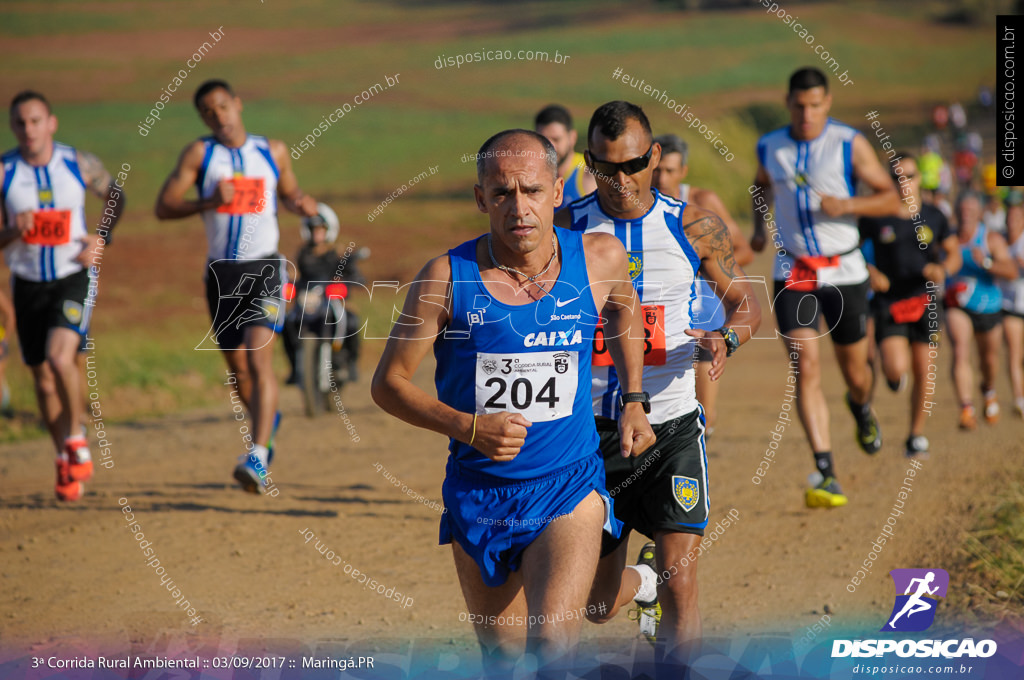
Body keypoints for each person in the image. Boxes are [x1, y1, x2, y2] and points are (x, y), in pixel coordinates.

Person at [371, 129, 655, 677]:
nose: (518, 208)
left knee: (551, 648)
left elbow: (624, 313)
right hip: (479, 491)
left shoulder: (599, 258)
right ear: (481, 199)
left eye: (531, 190)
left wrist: (635, 397)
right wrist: (468, 426)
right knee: (502, 659)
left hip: (567, 484)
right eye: (502, 194)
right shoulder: (444, 278)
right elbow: (389, 384)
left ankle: (640, 585)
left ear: (556, 192)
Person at [554, 102, 760, 672]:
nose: (621, 181)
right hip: (589, 433)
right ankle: (641, 580)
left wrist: (727, 338)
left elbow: (747, 304)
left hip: (670, 423)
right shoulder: (566, 227)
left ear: (656, 158)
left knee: (683, 584)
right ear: (589, 163)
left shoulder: (692, 225)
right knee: (595, 604)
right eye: (605, 168)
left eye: (634, 165)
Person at [155, 79, 319, 493]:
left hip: (265, 267)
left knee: (258, 359)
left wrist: (301, 202)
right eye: (208, 112)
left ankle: (258, 455)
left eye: (223, 107)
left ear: (238, 105)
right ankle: (269, 421)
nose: (218, 116)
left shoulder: (273, 151)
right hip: (221, 274)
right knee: (239, 370)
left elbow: (290, 191)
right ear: (202, 118)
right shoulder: (200, 154)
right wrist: (209, 200)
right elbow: (164, 206)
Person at [750, 67, 902, 508]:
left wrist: (848, 204)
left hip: (845, 271)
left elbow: (892, 197)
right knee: (806, 365)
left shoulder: (848, 143)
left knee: (856, 374)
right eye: (799, 105)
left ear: (827, 103)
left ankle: (860, 407)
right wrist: (761, 226)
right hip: (794, 270)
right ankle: (826, 468)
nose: (807, 113)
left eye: (815, 105)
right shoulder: (770, 145)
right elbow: (759, 186)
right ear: (788, 102)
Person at [0, 90, 123, 500]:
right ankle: (62, 457)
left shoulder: (78, 163)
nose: (28, 129)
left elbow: (115, 196)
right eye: (20, 122)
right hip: (27, 282)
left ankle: (75, 437)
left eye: (36, 121)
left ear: (51, 123)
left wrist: (100, 239)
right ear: (12, 126)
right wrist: (14, 232)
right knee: (43, 380)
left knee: (59, 357)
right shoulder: (4, 172)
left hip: (75, 274)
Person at [651, 132, 755, 438]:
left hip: (706, 308)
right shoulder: (639, 208)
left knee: (703, 416)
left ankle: (700, 443)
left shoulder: (703, 202)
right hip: (662, 311)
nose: (662, 178)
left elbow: (744, 250)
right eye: (657, 170)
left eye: (670, 170)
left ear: (683, 171)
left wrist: (698, 265)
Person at [858, 155, 960, 458]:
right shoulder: (875, 216)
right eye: (897, 177)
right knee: (895, 366)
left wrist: (942, 269)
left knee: (924, 371)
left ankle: (915, 436)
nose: (905, 183)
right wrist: (871, 272)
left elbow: (952, 253)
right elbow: (850, 250)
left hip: (925, 300)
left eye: (910, 176)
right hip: (889, 301)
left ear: (920, 179)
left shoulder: (935, 215)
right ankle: (892, 377)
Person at [945, 192, 1018, 428]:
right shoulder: (949, 240)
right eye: (962, 210)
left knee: (988, 360)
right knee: (960, 350)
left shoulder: (991, 239)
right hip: (958, 305)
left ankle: (988, 388)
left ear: (980, 213)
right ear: (956, 213)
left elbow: (1012, 271)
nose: (966, 214)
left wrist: (986, 263)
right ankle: (966, 408)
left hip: (989, 306)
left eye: (971, 210)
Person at [281, 202, 364, 384]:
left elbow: (351, 271)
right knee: (286, 323)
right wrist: (288, 280)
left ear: (329, 229)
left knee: (351, 321)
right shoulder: (302, 254)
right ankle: (295, 367)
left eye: (321, 228)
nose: (317, 232)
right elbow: (295, 274)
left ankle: (350, 363)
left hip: (332, 302)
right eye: (313, 229)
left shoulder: (338, 252)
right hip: (308, 302)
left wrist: (352, 278)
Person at [534, 105, 597, 206]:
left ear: (572, 137)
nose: (550, 147)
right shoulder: (531, 173)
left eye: (556, 139)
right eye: (544, 140)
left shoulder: (589, 172)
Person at [1001, 201, 1024, 417]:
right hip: (1009, 307)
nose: (1012, 222)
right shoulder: (1000, 242)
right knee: (1014, 354)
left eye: (1017, 218)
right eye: (1009, 218)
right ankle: (1019, 399)